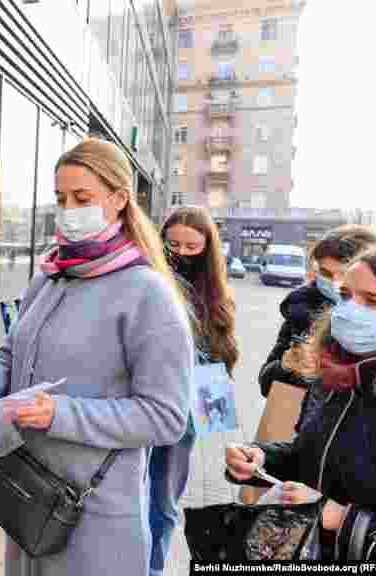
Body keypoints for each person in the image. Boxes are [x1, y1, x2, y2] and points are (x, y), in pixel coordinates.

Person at [0, 137, 193, 575]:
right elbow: (10, 352)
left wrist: (60, 413)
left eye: (82, 198)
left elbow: (166, 416)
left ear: (118, 200)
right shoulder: (51, 276)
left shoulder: (147, 295)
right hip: (26, 495)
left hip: (95, 517)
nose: (68, 209)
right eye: (60, 198)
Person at [227, 244, 376, 561]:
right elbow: (312, 457)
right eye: (347, 296)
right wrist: (261, 460)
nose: (350, 310)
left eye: (373, 301)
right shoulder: (335, 375)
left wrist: (341, 518)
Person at [148, 206, 240, 576]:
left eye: (192, 246)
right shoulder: (147, 278)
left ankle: (152, 569)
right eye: (173, 244)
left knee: (163, 503)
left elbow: (222, 356)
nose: (182, 254)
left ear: (207, 249)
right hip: (141, 403)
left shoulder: (216, 293)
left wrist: (215, 414)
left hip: (183, 418)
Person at [258, 226, 376, 403]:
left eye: (345, 273)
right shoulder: (301, 309)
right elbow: (266, 384)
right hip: (303, 423)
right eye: (326, 273)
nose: (335, 282)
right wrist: (286, 366)